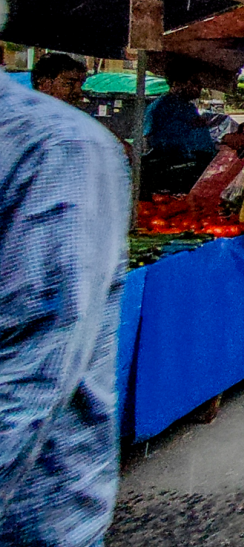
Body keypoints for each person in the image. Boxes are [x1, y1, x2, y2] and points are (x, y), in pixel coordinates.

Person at [0, 67, 128, 544]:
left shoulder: (55, 145)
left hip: (33, 510)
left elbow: (35, 365)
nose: (78, 88)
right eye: (70, 80)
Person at [142, 59, 218, 195]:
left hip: (198, 167)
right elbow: (154, 138)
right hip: (176, 171)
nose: (199, 87)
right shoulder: (162, 107)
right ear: (178, 83)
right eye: (194, 82)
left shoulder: (188, 106)